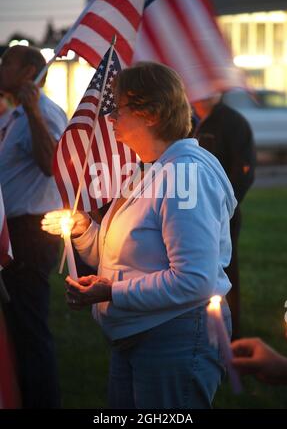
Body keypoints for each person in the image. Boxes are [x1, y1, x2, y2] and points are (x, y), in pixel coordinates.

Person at [42, 62, 237, 409]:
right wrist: (85, 231)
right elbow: (121, 255)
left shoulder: (185, 176)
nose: (111, 117)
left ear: (151, 113)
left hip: (173, 338)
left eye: (119, 108)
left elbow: (195, 280)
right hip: (137, 335)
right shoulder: (147, 171)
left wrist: (113, 292)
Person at [0, 45, 67, 408]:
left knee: (29, 327)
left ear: (30, 72)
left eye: (6, 63)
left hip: (28, 234)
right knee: (14, 328)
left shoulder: (44, 112)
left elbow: (51, 165)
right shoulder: (13, 116)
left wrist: (35, 113)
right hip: (10, 233)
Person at [191, 94, 256, 340]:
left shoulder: (233, 122)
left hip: (223, 212)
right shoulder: (185, 119)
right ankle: (197, 327)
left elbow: (245, 171)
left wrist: (225, 204)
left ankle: (230, 333)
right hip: (189, 209)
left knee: (225, 269)